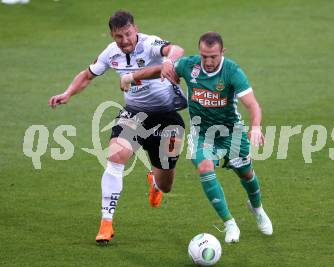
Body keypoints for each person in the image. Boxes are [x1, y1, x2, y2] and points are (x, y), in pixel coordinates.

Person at [48, 10, 186, 245]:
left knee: (166, 185)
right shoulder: (111, 53)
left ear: (136, 29)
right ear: (112, 36)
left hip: (168, 118)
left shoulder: (150, 43)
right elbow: (88, 74)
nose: (124, 41)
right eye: (118, 36)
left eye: (128, 34)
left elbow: (177, 49)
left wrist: (169, 62)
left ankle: (154, 181)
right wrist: (68, 92)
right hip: (134, 114)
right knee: (116, 154)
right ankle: (106, 222)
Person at [121, 32, 273, 243]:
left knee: (246, 174)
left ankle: (257, 209)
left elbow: (252, 104)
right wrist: (132, 77)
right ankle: (229, 223)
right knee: (204, 167)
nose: (208, 62)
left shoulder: (232, 71)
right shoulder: (189, 65)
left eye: (213, 56)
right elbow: (160, 70)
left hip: (231, 132)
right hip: (202, 134)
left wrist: (255, 127)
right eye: (204, 56)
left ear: (222, 52)